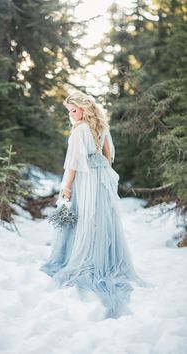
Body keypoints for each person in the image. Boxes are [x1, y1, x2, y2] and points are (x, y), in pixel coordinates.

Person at [39, 90, 151, 319]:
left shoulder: (80, 130)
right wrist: (101, 171)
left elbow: (73, 162)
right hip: (101, 179)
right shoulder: (102, 127)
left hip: (85, 180)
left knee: (85, 217)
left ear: (84, 108)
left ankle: (83, 258)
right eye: (69, 111)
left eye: (74, 110)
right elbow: (109, 156)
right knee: (100, 218)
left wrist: (67, 187)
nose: (71, 115)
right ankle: (105, 259)